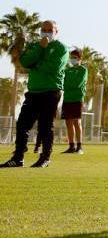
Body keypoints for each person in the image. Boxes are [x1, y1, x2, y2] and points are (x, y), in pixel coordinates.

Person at [2, 21, 69, 169]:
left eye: (50, 30)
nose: (46, 32)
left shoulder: (61, 48)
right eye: (43, 30)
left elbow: (53, 67)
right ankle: (18, 158)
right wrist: (40, 48)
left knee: (45, 126)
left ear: (56, 32)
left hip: (51, 92)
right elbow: (25, 62)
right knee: (22, 124)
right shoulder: (34, 46)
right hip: (33, 92)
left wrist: (36, 63)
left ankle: (45, 158)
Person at [61, 48, 87, 154]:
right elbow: (63, 83)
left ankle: (79, 146)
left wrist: (68, 84)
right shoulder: (67, 70)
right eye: (71, 58)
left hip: (77, 99)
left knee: (77, 121)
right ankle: (71, 146)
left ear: (80, 58)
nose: (72, 59)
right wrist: (67, 85)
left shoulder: (83, 70)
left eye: (75, 58)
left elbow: (77, 83)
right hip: (67, 99)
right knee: (68, 122)